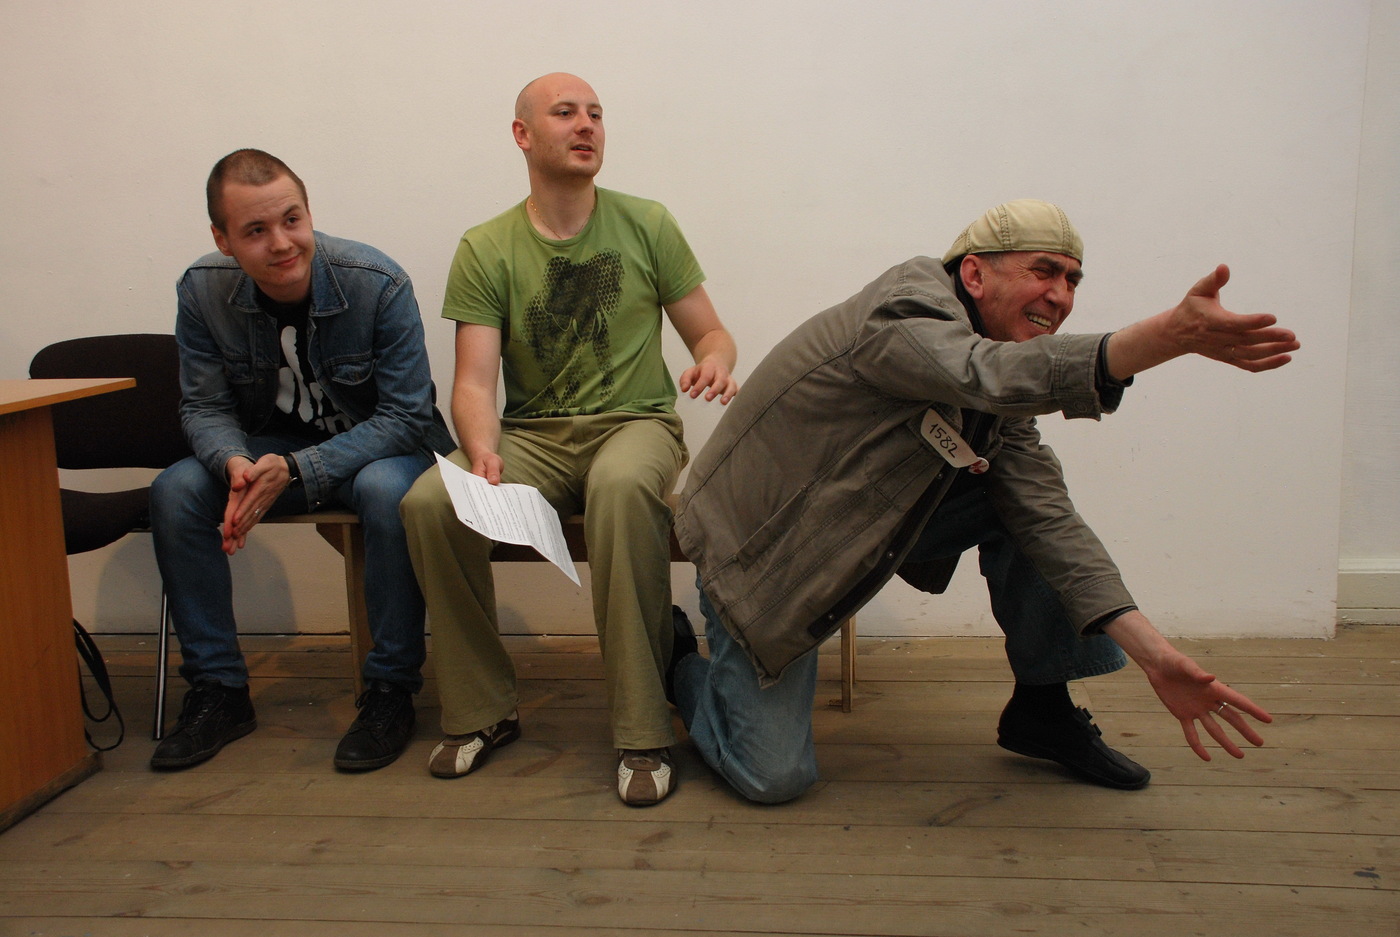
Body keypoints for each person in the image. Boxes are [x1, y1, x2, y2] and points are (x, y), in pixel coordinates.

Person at [670, 199, 1298, 803]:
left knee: (1027, 507)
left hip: (854, 519)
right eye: (1044, 271)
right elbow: (982, 372)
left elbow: (1047, 514)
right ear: (973, 274)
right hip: (764, 549)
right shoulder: (902, 315)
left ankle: (1043, 710)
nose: (1061, 295)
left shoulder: (995, 378)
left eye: (1072, 280)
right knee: (771, 778)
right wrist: (1166, 336)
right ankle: (677, 663)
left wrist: (1156, 657)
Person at [399, 73, 738, 806]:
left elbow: (710, 332)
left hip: (635, 424)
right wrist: (481, 450)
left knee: (620, 488)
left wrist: (714, 360)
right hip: (534, 435)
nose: (586, 125)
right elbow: (473, 381)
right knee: (430, 501)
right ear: (522, 135)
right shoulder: (487, 246)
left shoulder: (646, 223)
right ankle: (482, 709)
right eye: (565, 113)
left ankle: (643, 728)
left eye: (595, 114)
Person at [149, 148, 454, 772]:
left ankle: (390, 690)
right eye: (256, 231)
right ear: (223, 239)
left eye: (292, 220)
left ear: (309, 213)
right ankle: (219, 690)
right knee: (176, 491)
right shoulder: (202, 289)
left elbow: (406, 416)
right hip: (270, 452)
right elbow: (204, 406)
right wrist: (234, 463)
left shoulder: (377, 282)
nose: (282, 243)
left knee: (387, 491)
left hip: (379, 450)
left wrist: (295, 470)